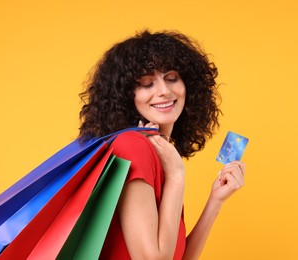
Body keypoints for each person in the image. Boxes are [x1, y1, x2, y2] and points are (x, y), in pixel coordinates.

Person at [78, 30, 246, 260]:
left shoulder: (159, 155)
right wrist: (177, 175)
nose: (164, 91)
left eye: (171, 77)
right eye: (147, 83)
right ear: (128, 96)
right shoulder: (132, 147)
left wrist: (215, 201)